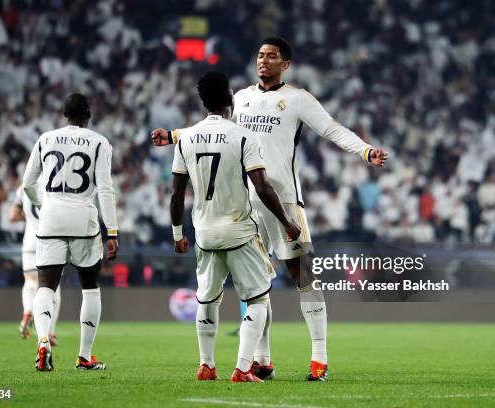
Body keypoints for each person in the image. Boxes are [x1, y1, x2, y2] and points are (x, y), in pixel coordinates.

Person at [153, 37, 388, 381]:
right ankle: (262, 360)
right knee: (255, 284)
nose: (264, 61)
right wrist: (173, 135)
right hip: (245, 203)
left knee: (303, 275)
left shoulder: (296, 99)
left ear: (285, 64)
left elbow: (331, 128)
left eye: (272, 56)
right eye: (260, 55)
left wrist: (365, 151)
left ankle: (319, 358)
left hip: (284, 199)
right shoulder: (241, 98)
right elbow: (214, 128)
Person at [170, 71, 300, 382]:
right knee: (258, 298)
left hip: (204, 233)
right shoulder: (243, 136)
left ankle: (206, 365)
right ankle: (242, 368)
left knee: (207, 298)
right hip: (239, 230)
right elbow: (263, 187)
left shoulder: (186, 138)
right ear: (230, 98)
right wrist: (287, 221)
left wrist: (178, 233)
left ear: (203, 101)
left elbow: (177, 193)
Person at [22, 93, 119, 371]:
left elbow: (28, 184)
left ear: (64, 114)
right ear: (88, 115)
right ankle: (84, 356)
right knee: (90, 288)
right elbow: (104, 189)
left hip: (50, 219)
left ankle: (42, 340)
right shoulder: (99, 142)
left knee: (45, 285)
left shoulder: (45, 139)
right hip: (83, 221)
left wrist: (44, 204)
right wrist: (111, 232)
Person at [10, 184, 62, 345]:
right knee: (53, 286)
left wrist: (27, 215)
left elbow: (12, 216)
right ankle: (50, 332)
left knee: (30, 281)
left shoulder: (23, 186)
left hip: (30, 241)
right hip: (50, 239)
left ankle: (28, 310)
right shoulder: (55, 182)